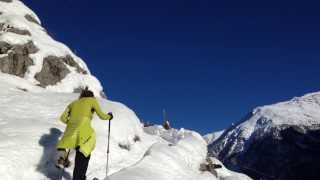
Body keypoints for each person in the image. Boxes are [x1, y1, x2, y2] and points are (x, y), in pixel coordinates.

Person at [56, 87, 113, 180]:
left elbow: (62, 118)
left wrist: (72, 122)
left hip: (70, 133)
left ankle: (64, 158)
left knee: (79, 160)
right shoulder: (92, 101)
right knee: (83, 157)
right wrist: (109, 116)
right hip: (84, 133)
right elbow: (102, 116)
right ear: (91, 96)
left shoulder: (73, 103)